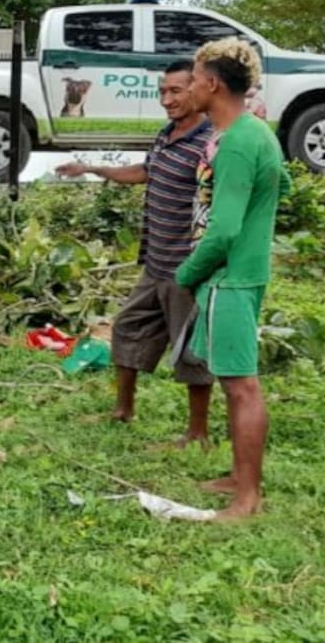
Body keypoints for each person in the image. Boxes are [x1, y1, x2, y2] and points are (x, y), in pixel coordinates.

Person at [56, 60, 215, 446]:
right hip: (155, 262)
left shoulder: (210, 142)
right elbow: (147, 171)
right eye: (162, 91)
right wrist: (93, 168)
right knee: (128, 326)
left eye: (176, 91)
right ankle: (123, 409)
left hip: (186, 267)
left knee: (191, 349)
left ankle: (198, 433)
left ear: (198, 90)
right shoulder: (168, 133)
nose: (167, 99)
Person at [174, 38, 289, 520]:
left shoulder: (239, 142)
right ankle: (239, 477)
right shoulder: (252, 132)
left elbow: (223, 229)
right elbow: (280, 185)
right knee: (229, 378)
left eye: (195, 80)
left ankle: (247, 498)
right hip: (239, 272)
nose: (190, 88)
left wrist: (188, 273)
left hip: (229, 277)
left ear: (213, 83)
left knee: (242, 386)